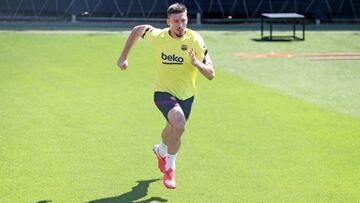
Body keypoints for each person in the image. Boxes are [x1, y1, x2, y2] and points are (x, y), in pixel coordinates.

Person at [117, 3, 215, 189]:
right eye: (176, 21)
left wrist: (197, 63)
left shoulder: (195, 40)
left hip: (187, 95)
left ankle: (161, 150)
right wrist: (123, 57)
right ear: (168, 22)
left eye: (183, 21)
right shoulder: (158, 36)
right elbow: (137, 30)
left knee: (172, 129)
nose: (180, 25)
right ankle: (170, 168)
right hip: (162, 92)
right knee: (179, 124)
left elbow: (211, 74)